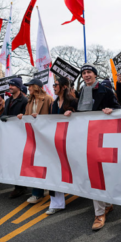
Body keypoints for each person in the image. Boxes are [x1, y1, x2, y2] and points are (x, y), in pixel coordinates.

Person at [67, 63, 120, 231]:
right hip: (86, 137)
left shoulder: (105, 90)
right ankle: (105, 206)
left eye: (89, 72)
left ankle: (99, 214)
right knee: (94, 173)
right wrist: (71, 112)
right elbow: (83, 113)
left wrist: (110, 110)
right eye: (84, 73)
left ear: (95, 75)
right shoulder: (82, 91)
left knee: (97, 174)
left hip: (102, 138)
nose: (86, 75)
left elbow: (118, 108)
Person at [17, 78, 53, 204]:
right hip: (33, 137)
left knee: (45, 163)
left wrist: (40, 118)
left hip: (45, 136)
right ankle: (37, 192)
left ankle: (44, 188)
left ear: (37, 87)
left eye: (30, 86)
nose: (28, 88)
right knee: (35, 163)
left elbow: (54, 117)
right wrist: (23, 116)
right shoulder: (29, 101)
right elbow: (27, 116)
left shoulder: (48, 99)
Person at [46, 76, 78, 215]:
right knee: (54, 170)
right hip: (56, 142)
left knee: (74, 169)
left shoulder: (73, 101)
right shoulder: (53, 104)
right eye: (53, 85)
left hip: (71, 142)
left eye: (56, 85)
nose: (54, 87)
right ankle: (56, 203)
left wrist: (73, 114)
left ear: (64, 86)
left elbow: (84, 119)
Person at [1, 78, 29, 198]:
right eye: (9, 85)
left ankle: (21, 187)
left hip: (20, 134)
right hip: (9, 134)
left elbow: (26, 116)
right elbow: (5, 115)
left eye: (12, 85)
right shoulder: (8, 101)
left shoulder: (24, 101)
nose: (10, 87)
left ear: (18, 87)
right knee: (12, 160)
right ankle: (17, 185)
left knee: (20, 161)